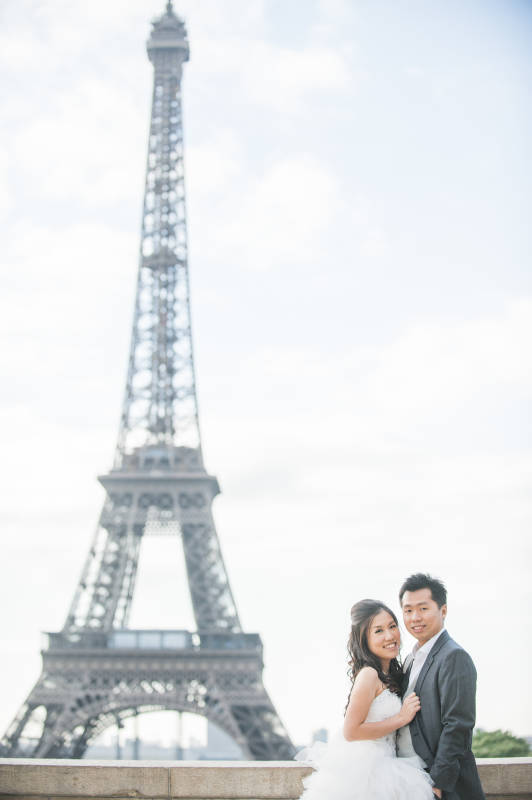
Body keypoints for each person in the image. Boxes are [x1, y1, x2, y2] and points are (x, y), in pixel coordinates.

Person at [295, 598, 434, 799]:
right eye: (378, 631)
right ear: (364, 640)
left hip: (386, 764)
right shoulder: (369, 675)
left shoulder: (390, 674)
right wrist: (401, 718)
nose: (390, 635)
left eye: (392, 626)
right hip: (365, 771)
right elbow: (351, 731)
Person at [398, 573, 485, 800]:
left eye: (423, 608)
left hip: (441, 786)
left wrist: (438, 784)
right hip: (410, 778)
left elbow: (458, 725)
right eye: (408, 610)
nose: (415, 617)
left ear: (443, 611)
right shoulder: (411, 659)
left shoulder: (453, 656)